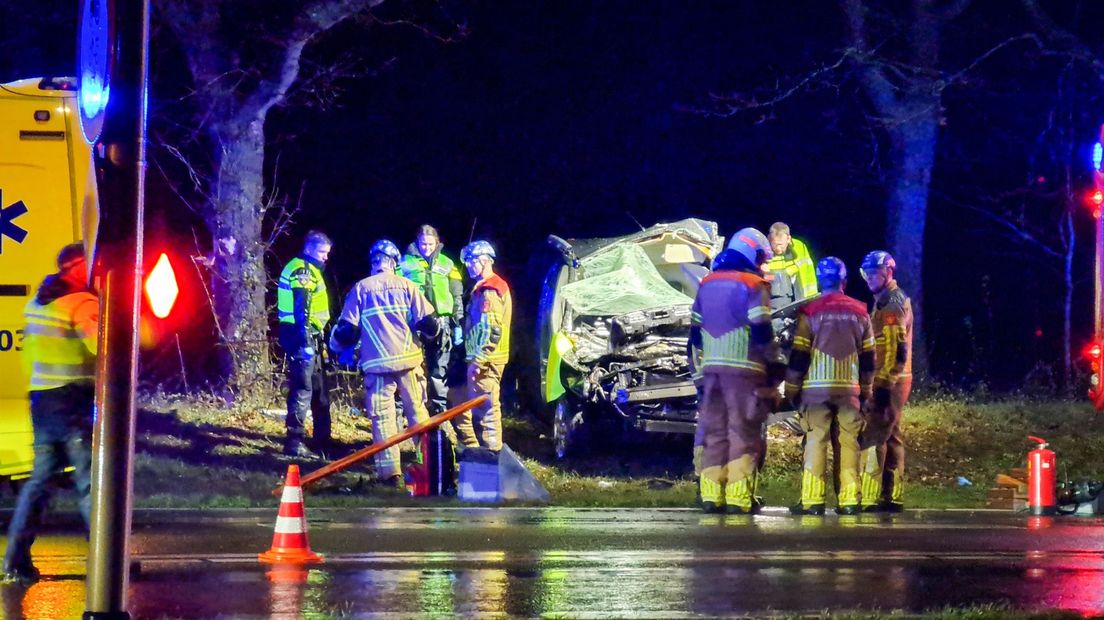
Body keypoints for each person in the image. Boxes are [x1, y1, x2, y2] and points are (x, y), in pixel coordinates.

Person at [3, 244, 97, 584]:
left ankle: (14, 562)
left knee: (38, 485)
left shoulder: (37, 303)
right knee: (91, 484)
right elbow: (103, 345)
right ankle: (105, 565)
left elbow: (29, 354)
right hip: (71, 401)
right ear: (75, 267)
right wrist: (143, 330)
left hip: (42, 402)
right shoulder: (81, 302)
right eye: (89, 263)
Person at [329, 239, 439, 486]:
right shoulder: (407, 285)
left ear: (373, 262)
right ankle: (429, 465)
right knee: (418, 413)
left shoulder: (361, 289)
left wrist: (334, 348)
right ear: (394, 263)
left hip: (377, 365)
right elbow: (430, 325)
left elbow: (347, 330)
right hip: (409, 362)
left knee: (383, 418)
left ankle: (390, 474)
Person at [689, 228, 776, 514]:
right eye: (762, 258)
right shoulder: (754, 284)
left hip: (712, 370)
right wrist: (774, 370)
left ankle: (711, 496)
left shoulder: (707, 283)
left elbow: (695, 334)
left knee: (714, 432)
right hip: (745, 371)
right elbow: (762, 330)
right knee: (743, 433)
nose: (763, 264)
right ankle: (739, 499)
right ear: (752, 252)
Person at [784, 257, 875, 516]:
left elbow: (799, 356)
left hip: (815, 392)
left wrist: (791, 389)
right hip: (850, 391)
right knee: (849, 444)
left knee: (816, 441)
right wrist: (866, 390)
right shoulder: (861, 311)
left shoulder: (810, 312)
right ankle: (849, 501)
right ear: (844, 281)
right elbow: (869, 357)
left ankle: (812, 501)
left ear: (820, 281)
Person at [858, 250, 913, 512]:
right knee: (892, 436)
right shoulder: (884, 300)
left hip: (890, 379)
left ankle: (870, 496)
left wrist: (882, 385)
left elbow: (896, 349)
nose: (869, 278)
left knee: (875, 433)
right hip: (894, 378)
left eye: (874, 273)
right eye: (866, 273)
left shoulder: (891, 303)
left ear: (888, 272)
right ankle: (893, 496)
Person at [277, 230, 334, 458]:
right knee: (303, 389)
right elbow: (302, 310)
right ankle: (295, 440)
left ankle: (322, 440)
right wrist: (306, 341)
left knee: (319, 389)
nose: (325, 257)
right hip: (302, 336)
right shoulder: (303, 271)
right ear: (309, 249)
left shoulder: (309, 269)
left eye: (327, 253)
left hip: (310, 336)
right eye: (322, 252)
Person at [398, 224, 464, 414]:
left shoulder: (448, 263)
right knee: (412, 367)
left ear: (437, 243)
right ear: (417, 243)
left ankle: (438, 408)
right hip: (414, 323)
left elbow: (456, 293)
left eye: (430, 243)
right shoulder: (404, 263)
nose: (426, 247)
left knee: (438, 368)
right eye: (423, 243)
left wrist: (458, 321)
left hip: (442, 323)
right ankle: (411, 408)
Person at [455, 240, 512, 451]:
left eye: (472, 261)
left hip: (487, 361)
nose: (468, 265)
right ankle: (487, 455)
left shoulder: (490, 290)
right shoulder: (483, 288)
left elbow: (491, 330)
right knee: (481, 408)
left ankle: (492, 455)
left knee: (486, 411)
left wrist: (478, 360)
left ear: (485, 261)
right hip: (485, 358)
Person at [763, 222, 817, 327]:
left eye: (781, 245)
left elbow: (808, 277)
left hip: (795, 304)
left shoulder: (799, 248)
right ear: (769, 238)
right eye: (775, 244)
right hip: (772, 308)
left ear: (788, 239)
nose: (778, 249)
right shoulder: (763, 251)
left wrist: (811, 305)